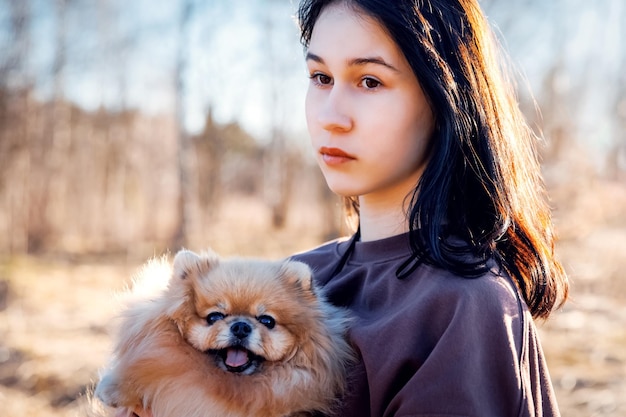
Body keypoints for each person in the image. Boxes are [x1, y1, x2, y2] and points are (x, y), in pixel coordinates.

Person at [122, 0, 568, 416]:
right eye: (320, 78)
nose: (331, 115)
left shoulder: (463, 306)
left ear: (444, 100)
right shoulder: (295, 275)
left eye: (369, 81)